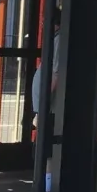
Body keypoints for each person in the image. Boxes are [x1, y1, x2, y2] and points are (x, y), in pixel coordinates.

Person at [31, 8, 61, 142]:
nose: (43, 26)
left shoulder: (58, 40)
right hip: (43, 106)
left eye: (44, 22)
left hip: (47, 107)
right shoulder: (55, 39)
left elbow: (56, 74)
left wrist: (45, 99)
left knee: (42, 144)